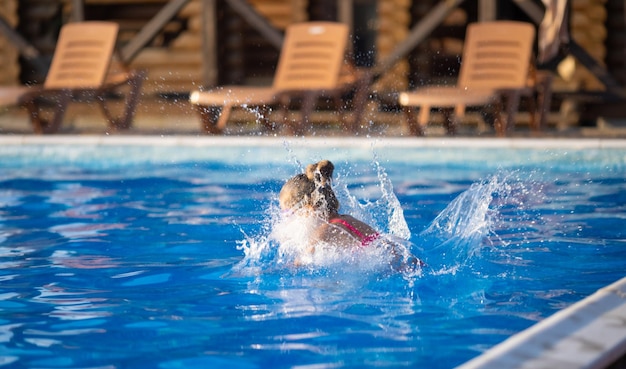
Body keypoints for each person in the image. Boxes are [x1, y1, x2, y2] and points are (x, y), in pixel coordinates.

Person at [278, 160, 422, 269]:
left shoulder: (322, 233)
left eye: (287, 213)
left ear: (308, 209)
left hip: (399, 270)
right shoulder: (345, 219)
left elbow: (296, 266)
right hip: (409, 262)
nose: (287, 220)